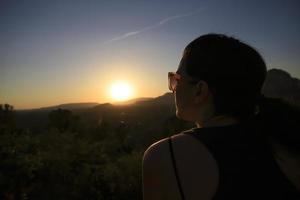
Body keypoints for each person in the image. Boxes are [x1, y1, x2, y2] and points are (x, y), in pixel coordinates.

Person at [142, 33, 300, 200]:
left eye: (176, 79)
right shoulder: (286, 142)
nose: (172, 88)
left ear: (199, 91)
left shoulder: (166, 157)